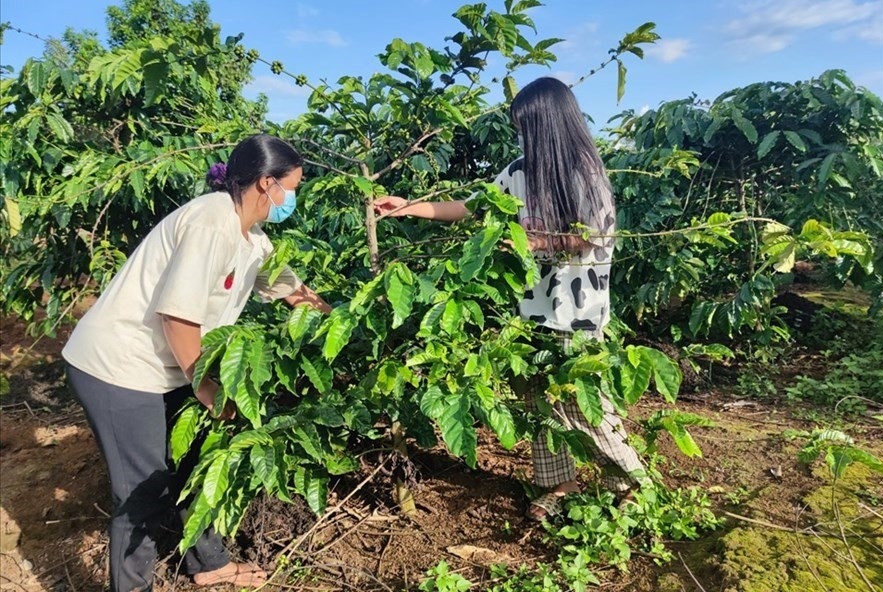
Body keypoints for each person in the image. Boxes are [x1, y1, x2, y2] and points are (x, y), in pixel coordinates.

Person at [62, 134, 331, 591]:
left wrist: (346, 320)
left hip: (167, 366)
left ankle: (209, 564)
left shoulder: (254, 240)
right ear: (267, 183)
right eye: (294, 186)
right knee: (143, 491)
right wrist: (206, 388)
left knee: (190, 464)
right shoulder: (211, 221)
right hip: (119, 367)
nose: (294, 198)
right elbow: (178, 316)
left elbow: (295, 293)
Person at [373, 77, 648, 521]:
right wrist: (409, 206)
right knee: (539, 401)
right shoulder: (520, 171)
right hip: (532, 309)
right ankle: (560, 481)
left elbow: (591, 234)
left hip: (576, 309)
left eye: (528, 127)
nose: (523, 136)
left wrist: (532, 243)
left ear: (551, 126)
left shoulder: (585, 171)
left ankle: (630, 480)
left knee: (581, 400)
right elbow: (472, 206)